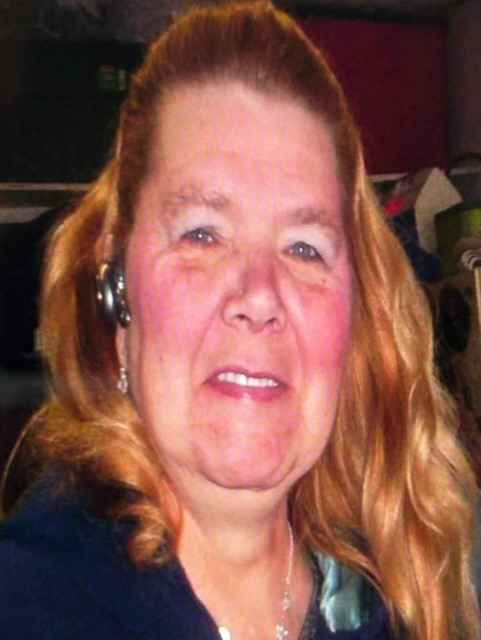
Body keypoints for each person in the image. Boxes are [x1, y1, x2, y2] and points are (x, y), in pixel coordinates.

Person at [0, 2, 478, 639]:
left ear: (356, 311)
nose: (259, 295)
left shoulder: (395, 589)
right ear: (118, 290)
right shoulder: (27, 603)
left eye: (305, 247)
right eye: (202, 233)